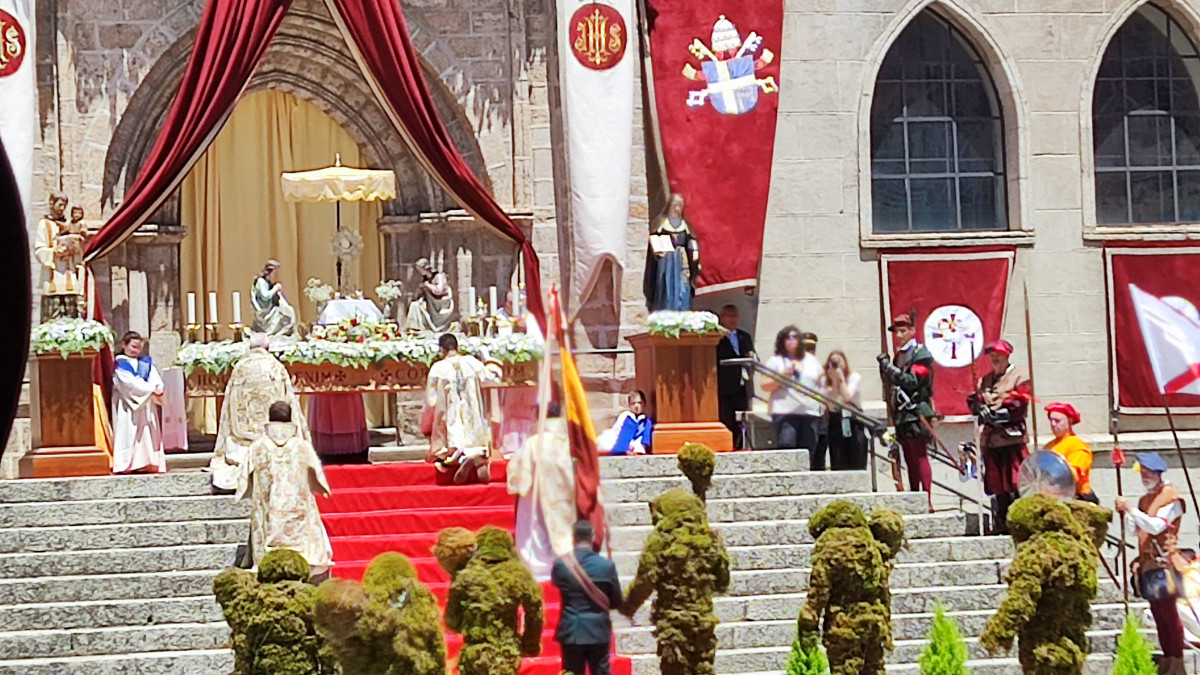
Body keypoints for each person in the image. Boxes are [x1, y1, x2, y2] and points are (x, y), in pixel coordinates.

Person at [236, 401, 333, 577]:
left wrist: (244, 489)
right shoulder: (301, 446)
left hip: (270, 508)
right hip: (297, 508)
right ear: (289, 419)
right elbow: (317, 474)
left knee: (266, 522)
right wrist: (322, 487)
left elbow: (244, 477)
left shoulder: (258, 447)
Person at [208, 332, 309, 492]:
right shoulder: (276, 366)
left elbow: (230, 402)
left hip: (243, 435)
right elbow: (288, 399)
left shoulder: (240, 368)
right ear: (267, 347)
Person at [1117, 452, 1188, 675]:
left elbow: (1157, 526)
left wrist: (1131, 510)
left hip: (1165, 564)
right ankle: (1167, 660)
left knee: (1169, 615)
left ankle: (1177, 663)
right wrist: (1127, 516)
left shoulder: (1172, 498)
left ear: (1157, 473)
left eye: (1147, 473)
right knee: (1158, 616)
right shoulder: (1145, 500)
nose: (1144, 477)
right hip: (1149, 566)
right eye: (1142, 473)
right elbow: (1137, 530)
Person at [508, 400, 577, 580]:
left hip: (536, 495)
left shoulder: (533, 442)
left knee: (536, 528)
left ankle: (537, 568)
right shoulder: (568, 442)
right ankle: (562, 563)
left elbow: (519, 473)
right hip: (562, 497)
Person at [967, 339, 1031, 533]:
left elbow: (1020, 405)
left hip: (1011, 438)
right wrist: (979, 409)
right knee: (997, 485)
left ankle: (1021, 522)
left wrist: (998, 415)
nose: (995, 359)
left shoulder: (1020, 377)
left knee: (1015, 481)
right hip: (991, 440)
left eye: (999, 355)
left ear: (1007, 356)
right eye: (992, 356)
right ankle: (1002, 522)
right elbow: (975, 400)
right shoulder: (985, 380)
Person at [424, 333, 501, 484]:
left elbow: (431, 401)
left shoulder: (438, 368)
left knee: (450, 445)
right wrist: (489, 361)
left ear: (442, 350)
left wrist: (427, 422)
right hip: (472, 413)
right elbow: (491, 378)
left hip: (451, 414)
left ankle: (458, 458)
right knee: (473, 440)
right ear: (457, 347)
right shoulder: (472, 362)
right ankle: (473, 456)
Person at [878, 314, 935, 512]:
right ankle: (914, 496)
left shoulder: (921, 354)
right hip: (902, 412)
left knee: (919, 456)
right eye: (897, 332)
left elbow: (912, 381)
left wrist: (890, 369)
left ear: (912, 330)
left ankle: (926, 498)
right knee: (909, 457)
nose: (900, 335)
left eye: (903, 330)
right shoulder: (898, 355)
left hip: (916, 410)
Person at [552, 520, 623, 675]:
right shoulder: (606, 566)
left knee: (571, 671)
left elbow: (556, 583)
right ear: (592, 538)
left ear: (573, 538)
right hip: (598, 630)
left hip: (572, 630)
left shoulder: (561, 565)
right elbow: (616, 600)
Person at [761, 326, 824, 458]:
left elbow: (822, 383)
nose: (792, 340)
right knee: (788, 449)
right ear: (782, 341)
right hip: (785, 413)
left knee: (808, 452)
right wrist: (782, 375)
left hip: (809, 412)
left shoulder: (811, 360)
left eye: (795, 337)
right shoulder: (776, 361)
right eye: (788, 337)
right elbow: (765, 385)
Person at [495, 290, 542, 459]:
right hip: (507, 371)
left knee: (526, 408)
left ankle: (527, 444)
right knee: (510, 409)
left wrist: (525, 331)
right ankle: (509, 445)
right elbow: (494, 341)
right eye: (510, 303)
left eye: (517, 303)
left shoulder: (528, 318)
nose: (513, 306)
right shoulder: (497, 318)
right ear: (505, 303)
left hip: (527, 370)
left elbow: (538, 343)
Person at [111, 331, 166, 474]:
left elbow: (155, 379)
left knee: (148, 434)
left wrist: (158, 388)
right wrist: (150, 390)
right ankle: (127, 464)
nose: (136, 350)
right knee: (129, 434)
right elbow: (129, 384)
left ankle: (148, 463)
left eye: (139, 347)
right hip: (129, 406)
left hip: (147, 406)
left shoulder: (146, 363)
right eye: (133, 346)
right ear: (124, 345)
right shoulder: (120, 365)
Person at [643, 193, 700, 312]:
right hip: (666, 261)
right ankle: (665, 307)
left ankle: (682, 309)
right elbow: (654, 240)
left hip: (682, 260)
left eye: (680, 205)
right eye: (675, 205)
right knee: (666, 286)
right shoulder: (661, 224)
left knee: (683, 287)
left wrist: (694, 253)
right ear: (670, 205)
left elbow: (690, 241)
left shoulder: (685, 225)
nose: (677, 208)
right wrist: (658, 250)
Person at [34, 192, 84, 318]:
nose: (62, 208)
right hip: (52, 277)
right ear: (51, 204)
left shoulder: (70, 224)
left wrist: (75, 249)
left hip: (69, 276)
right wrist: (54, 251)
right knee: (51, 319)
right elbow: (39, 249)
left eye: (65, 206)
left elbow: (80, 255)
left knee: (71, 319)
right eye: (60, 205)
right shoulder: (44, 224)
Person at [716, 304, 755, 448]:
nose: (733, 319)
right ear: (722, 318)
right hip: (724, 387)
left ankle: (741, 445)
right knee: (727, 418)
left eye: (735, 316)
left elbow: (751, 355)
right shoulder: (717, 337)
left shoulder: (744, 336)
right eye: (729, 316)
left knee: (741, 420)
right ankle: (728, 446)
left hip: (742, 386)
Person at [1043, 402, 1097, 503]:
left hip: (1078, 497)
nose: (1053, 424)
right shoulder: (1048, 446)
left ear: (1069, 421)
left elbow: (1073, 474)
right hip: (1054, 497)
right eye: (1051, 420)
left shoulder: (1077, 445)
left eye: (1058, 421)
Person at [822, 351, 867, 470]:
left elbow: (847, 397)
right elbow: (831, 403)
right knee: (838, 457)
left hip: (853, 418)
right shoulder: (825, 382)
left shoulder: (854, 377)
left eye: (839, 362)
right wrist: (834, 382)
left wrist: (841, 379)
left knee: (857, 455)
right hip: (836, 419)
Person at [405, 258, 455, 333]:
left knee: (416, 305)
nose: (419, 272)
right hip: (429, 303)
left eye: (420, 269)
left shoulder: (439, 276)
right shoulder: (426, 279)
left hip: (440, 303)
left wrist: (427, 285)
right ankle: (414, 328)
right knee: (414, 305)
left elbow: (439, 290)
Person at [597, 391, 653, 456]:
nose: (636, 406)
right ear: (629, 405)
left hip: (634, 445)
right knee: (602, 443)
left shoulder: (646, 421)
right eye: (633, 403)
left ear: (644, 404)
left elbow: (645, 438)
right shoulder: (625, 416)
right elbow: (619, 432)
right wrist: (624, 449)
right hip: (618, 442)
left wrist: (641, 448)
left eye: (639, 403)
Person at [251, 260, 297, 336]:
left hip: (270, 307)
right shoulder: (261, 281)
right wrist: (275, 288)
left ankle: (286, 330)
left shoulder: (267, 282)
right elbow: (266, 296)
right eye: (274, 273)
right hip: (265, 310)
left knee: (288, 310)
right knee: (281, 313)